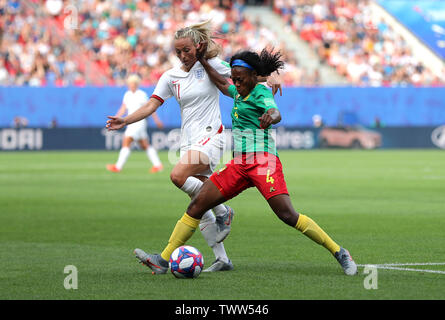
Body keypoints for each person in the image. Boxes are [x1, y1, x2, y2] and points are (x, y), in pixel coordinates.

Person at [129, 46, 358, 276]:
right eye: (234, 79)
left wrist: (272, 116)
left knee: (287, 215)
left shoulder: (261, 92)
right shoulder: (238, 91)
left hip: (263, 162)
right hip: (239, 164)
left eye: (239, 79)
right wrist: (203, 61)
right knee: (197, 204)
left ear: (252, 76)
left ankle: (340, 252)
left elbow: (275, 111)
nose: (235, 83)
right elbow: (220, 81)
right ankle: (163, 260)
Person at [107, 21, 283, 272]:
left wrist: (273, 75)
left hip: (213, 136)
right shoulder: (170, 76)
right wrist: (125, 119)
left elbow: (247, 74)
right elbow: (151, 105)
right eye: (178, 51)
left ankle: (223, 212)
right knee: (198, 199)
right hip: (189, 142)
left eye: (186, 50)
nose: (182, 55)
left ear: (197, 47)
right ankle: (222, 258)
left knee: (177, 175)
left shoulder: (213, 66)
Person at [106, 74, 164, 173]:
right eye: (130, 83)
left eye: (133, 83)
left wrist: (157, 121)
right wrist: (115, 118)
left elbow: (149, 108)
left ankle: (118, 167)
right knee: (145, 145)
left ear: (137, 84)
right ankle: (158, 165)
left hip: (138, 122)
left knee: (126, 141)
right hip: (132, 123)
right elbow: (123, 108)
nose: (131, 85)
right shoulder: (127, 94)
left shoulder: (141, 94)